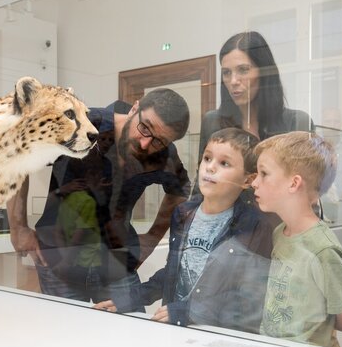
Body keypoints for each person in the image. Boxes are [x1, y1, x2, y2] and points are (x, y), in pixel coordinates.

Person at [8, 89, 191, 312]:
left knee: (129, 337)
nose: (145, 144)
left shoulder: (164, 155)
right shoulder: (83, 123)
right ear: (135, 108)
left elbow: (180, 189)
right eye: (144, 128)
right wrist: (18, 228)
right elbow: (18, 154)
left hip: (116, 263)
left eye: (158, 141)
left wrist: (153, 238)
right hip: (59, 261)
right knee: (65, 338)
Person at [96, 128, 272, 332]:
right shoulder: (183, 214)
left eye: (224, 163)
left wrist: (190, 311)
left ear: (247, 180)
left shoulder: (254, 224)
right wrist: (132, 297)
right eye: (207, 158)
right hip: (177, 329)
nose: (210, 168)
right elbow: (174, 271)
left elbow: (246, 296)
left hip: (218, 335)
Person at [250, 131, 342, 347]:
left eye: (263, 174)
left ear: (294, 183)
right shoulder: (280, 233)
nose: (255, 182)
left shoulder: (323, 249)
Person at [199, 31, 313, 161]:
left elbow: (305, 179)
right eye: (226, 72)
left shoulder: (296, 123)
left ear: (264, 72)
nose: (233, 81)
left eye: (243, 70)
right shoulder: (212, 121)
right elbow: (203, 177)